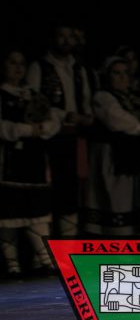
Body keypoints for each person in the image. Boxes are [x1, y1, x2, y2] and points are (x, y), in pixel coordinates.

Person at [85, 57, 140, 236]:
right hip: (118, 154)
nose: (122, 77)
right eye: (116, 73)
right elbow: (115, 118)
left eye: (125, 73)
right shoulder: (103, 96)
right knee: (120, 200)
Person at [26, 25, 93, 238]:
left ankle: (69, 241)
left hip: (77, 136)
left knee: (73, 189)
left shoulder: (79, 68)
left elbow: (86, 99)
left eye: (70, 36)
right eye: (61, 36)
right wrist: (65, 115)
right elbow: (34, 101)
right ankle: (48, 241)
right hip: (52, 136)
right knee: (54, 187)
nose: (66, 41)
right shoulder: (40, 66)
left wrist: (86, 116)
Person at [0, 50, 60, 275]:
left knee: (37, 209)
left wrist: (42, 128)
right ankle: (12, 264)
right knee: (8, 213)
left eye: (22, 63)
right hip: (8, 161)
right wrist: (26, 130)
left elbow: (52, 122)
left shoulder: (34, 95)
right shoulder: (2, 95)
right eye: (12, 62)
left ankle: (45, 259)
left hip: (34, 160)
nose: (18, 68)